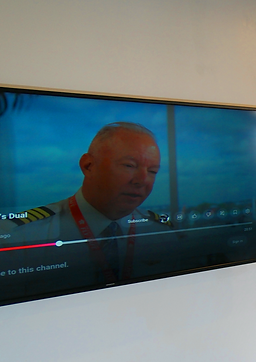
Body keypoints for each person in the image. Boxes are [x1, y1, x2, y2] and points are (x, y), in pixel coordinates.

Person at [0, 122, 173, 285]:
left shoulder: (163, 231)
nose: (142, 180)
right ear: (88, 165)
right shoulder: (20, 235)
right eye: (129, 165)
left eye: (152, 171)